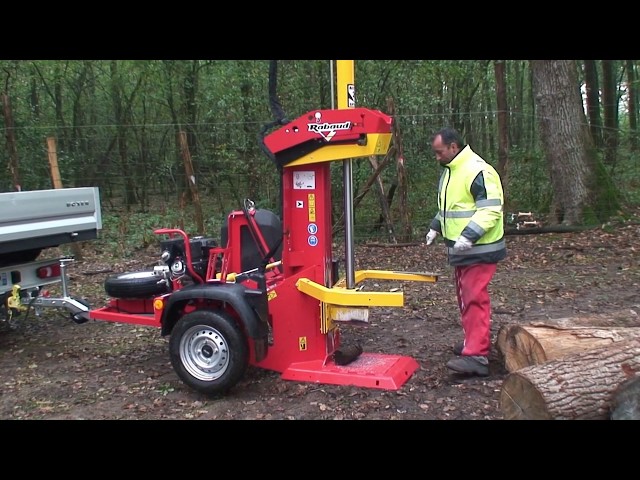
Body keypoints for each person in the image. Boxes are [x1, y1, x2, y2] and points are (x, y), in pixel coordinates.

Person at [425, 127, 507, 377]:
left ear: (453, 147)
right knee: (465, 298)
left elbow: (491, 210)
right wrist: (436, 227)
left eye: (439, 152)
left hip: (479, 250)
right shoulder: (452, 171)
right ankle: (473, 343)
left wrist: (468, 236)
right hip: (462, 251)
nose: (437, 157)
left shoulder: (478, 170)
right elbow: (451, 208)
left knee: (474, 299)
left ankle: (477, 356)